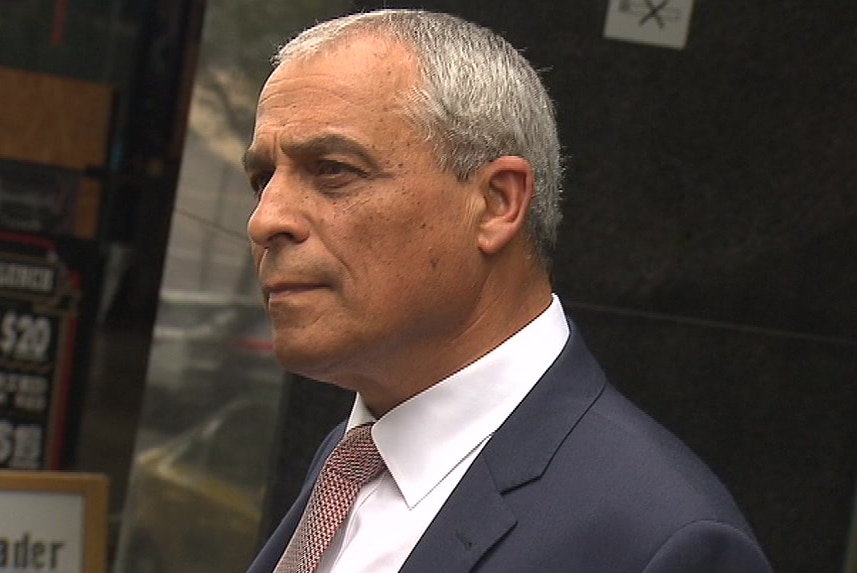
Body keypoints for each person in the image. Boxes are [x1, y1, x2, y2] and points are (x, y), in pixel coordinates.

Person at [243, 9, 772, 573]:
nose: (265, 219)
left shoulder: (663, 542)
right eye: (262, 180)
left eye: (332, 170)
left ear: (497, 203)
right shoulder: (355, 460)